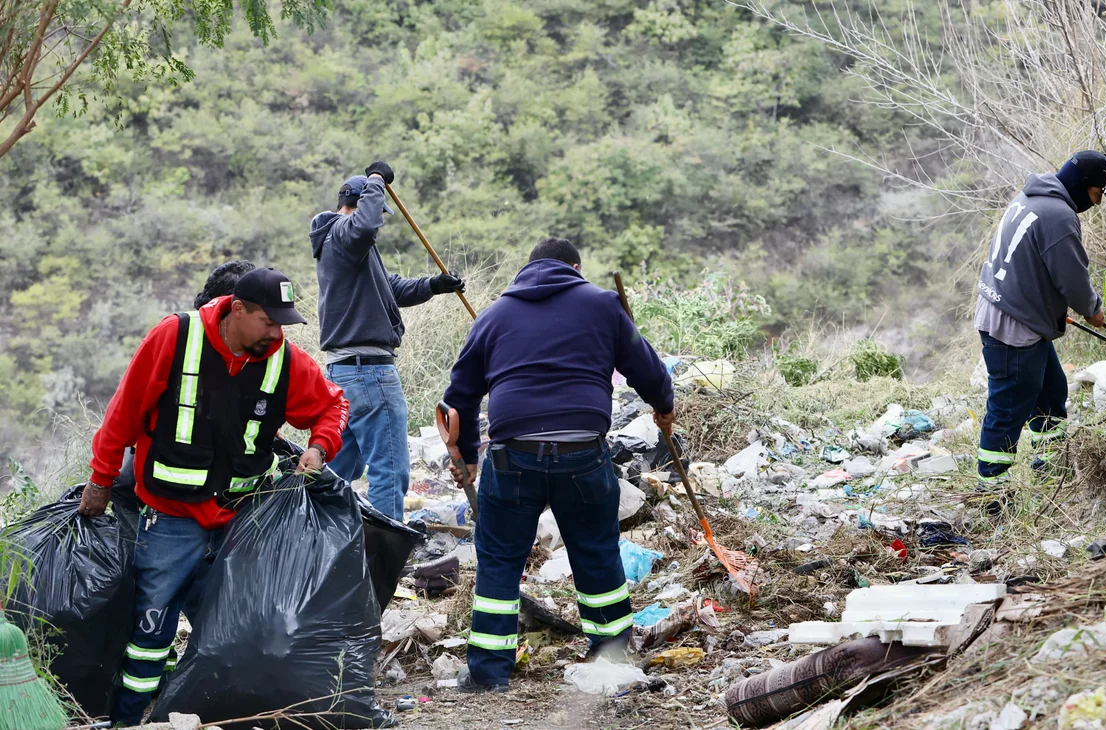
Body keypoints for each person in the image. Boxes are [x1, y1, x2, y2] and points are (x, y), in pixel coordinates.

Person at [78, 267, 349, 726]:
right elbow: (123, 411)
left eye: (283, 323)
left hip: (240, 519)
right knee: (152, 627)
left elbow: (333, 405)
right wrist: (101, 478)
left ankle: (224, 713)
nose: (276, 332)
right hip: (170, 516)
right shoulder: (175, 336)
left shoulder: (286, 360)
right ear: (237, 310)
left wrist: (320, 447)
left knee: (239, 627)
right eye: (268, 321)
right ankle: (128, 719)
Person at [442, 237, 674, 693]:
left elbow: (459, 396)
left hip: (512, 455)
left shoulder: (493, 316)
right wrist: (662, 406)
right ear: (574, 266)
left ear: (527, 270)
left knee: (500, 560)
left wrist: (468, 457)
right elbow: (645, 366)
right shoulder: (603, 306)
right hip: (581, 454)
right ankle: (609, 658)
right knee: (595, 551)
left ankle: (488, 675)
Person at [310, 161, 466, 520]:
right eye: (377, 210)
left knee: (338, 471)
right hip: (369, 374)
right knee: (389, 470)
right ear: (359, 203)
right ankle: (384, 560)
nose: (378, 221)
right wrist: (377, 179)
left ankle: (323, 545)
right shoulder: (346, 236)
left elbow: (391, 287)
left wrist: (433, 285)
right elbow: (364, 225)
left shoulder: (346, 249)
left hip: (344, 373)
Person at [973, 150, 1106, 488]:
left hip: (1010, 311)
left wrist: (1047, 307)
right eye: (1097, 195)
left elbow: (1029, 264)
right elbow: (1073, 279)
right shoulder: (1059, 216)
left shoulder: (1030, 196)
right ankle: (990, 490)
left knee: (1052, 393)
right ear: (1084, 185)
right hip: (1013, 326)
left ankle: (1050, 468)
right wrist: (1092, 309)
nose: (1095, 204)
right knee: (1007, 408)